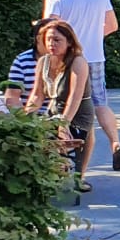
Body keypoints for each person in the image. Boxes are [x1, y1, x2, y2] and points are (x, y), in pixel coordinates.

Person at [43, 0, 120, 170]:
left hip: (68, 59)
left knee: (65, 102)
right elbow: (112, 25)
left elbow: (50, 28)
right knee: (99, 103)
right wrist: (93, 36)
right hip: (95, 57)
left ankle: (65, 160)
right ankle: (115, 142)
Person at [27, 18, 95, 190]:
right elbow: (37, 95)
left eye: (57, 40)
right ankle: (55, 172)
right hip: (54, 110)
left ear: (69, 41)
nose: (52, 44)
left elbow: (75, 96)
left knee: (62, 137)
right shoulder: (43, 62)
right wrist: (25, 116)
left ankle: (76, 175)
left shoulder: (78, 62)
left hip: (78, 113)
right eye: (48, 39)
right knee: (33, 134)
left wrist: (63, 124)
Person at [5, 19, 50, 113]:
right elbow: (12, 97)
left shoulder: (68, 61)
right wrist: (23, 118)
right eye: (49, 38)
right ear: (39, 38)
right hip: (31, 114)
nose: (52, 43)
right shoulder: (22, 61)